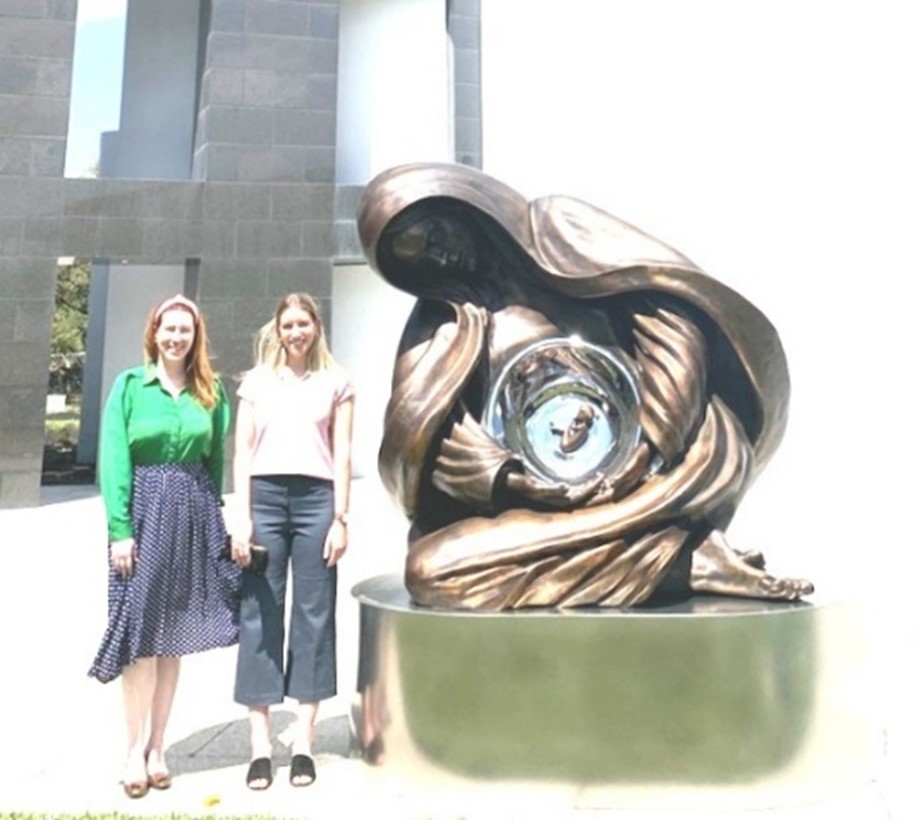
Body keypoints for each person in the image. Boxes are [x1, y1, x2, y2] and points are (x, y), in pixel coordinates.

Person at [357, 162, 813, 612]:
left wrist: (650, 447)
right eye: (421, 259)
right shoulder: (442, 325)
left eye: (434, 236)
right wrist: (514, 481)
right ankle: (683, 559)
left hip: (656, 475)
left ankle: (667, 546)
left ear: (460, 205)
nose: (440, 257)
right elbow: (430, 439)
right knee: (430, 570)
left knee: (716, 440)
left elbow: (669, 320)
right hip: (543, 504)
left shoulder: (560, 227)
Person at [88, 294, 240, 799]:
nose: (176, 337)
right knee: (139, 635)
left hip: (192, 513)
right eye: (169, 329)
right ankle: (133, 751)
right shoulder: (130, 386)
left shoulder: (211, 391)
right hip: (143, 515)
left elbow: (214, 464)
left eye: (185, 330)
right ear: (154, 333)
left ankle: (158, 747)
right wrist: (120, 530)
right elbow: (115, 460)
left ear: (196, 338)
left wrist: (217, 523)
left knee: (173, 634)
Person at [230, 292, 355, 790]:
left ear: (316, 327)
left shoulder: (337, 382)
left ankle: (303, 742)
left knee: (314, 615)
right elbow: (241, 453)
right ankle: (260, 748)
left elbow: (343, 452)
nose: (296, 332)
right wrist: (241, 519)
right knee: (259, 614)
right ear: (277, 331)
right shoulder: (256, 383)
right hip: (264, 500)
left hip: (316, 502)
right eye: (288, 325)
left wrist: (340, 518)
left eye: (303, 323)